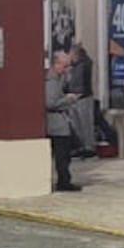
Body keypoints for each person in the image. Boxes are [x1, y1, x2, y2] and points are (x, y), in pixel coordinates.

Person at [45, 49, 81, 192]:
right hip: (56, 125)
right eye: (64, 66)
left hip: (58, 123)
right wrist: (69, 99)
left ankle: (64, 180)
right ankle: (64, 182)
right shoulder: (51, 81)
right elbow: (50, 103)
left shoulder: (59, 79)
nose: (66, 70)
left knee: (64, 155)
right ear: (56, 64)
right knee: (62, 156)